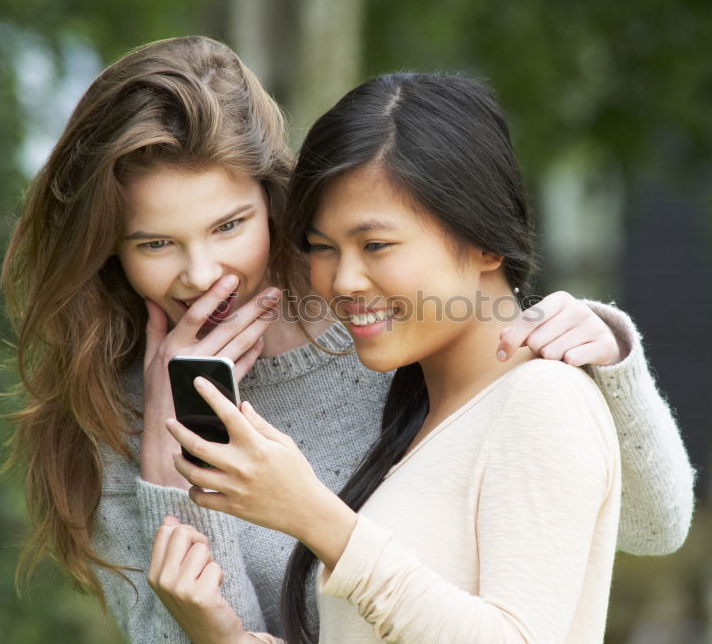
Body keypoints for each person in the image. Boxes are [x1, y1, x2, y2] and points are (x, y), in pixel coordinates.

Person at [0, 37, 694, 644]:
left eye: (230, 225)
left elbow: (642, 525)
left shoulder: (384, 323)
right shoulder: (118, 409)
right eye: (155, 243)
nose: (201, 274)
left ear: (273, 201)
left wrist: (607, 357)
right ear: (109, 252)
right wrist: (168, 477)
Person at [158, 72, 628, 643]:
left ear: (485, 241)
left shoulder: (542, 400)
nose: (344, 279)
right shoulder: (422, 419)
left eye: (375, 245)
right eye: (322, 248)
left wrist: (314, 516)